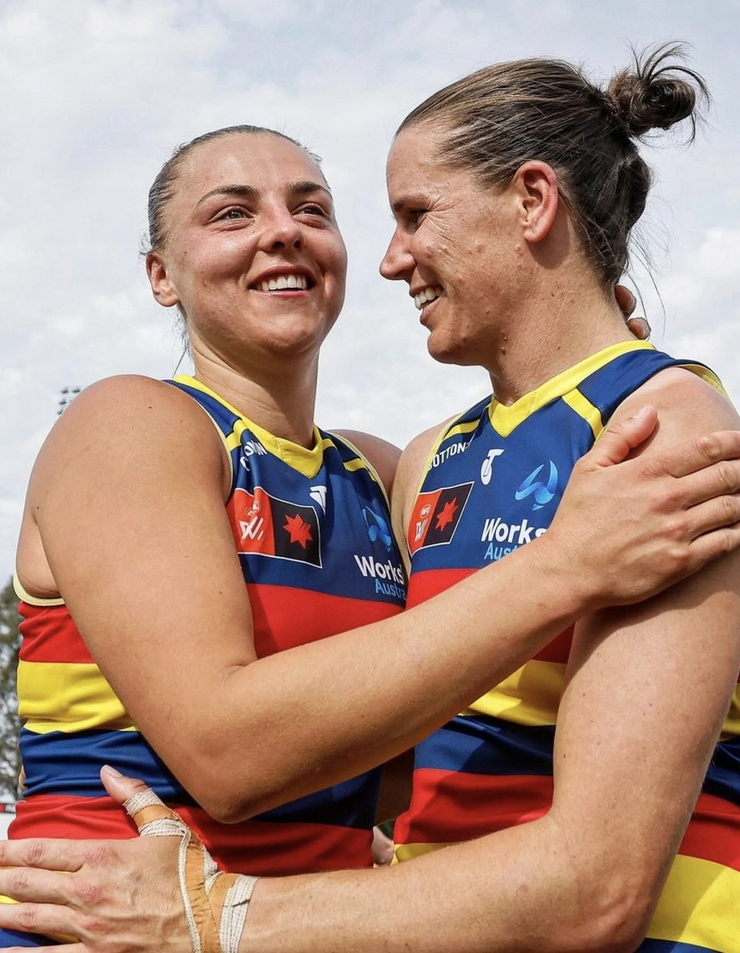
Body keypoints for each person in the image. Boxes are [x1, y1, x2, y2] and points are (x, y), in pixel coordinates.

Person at [2, 44, 740, 953]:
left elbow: (416, 752)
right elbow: (232, 753)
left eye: (316, 209)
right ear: (161, 275)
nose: (288, 231)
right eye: (232, 213)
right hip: (110, 925)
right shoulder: (130, 423)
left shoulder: (402, 469)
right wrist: (566, 564)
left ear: (534, 202)